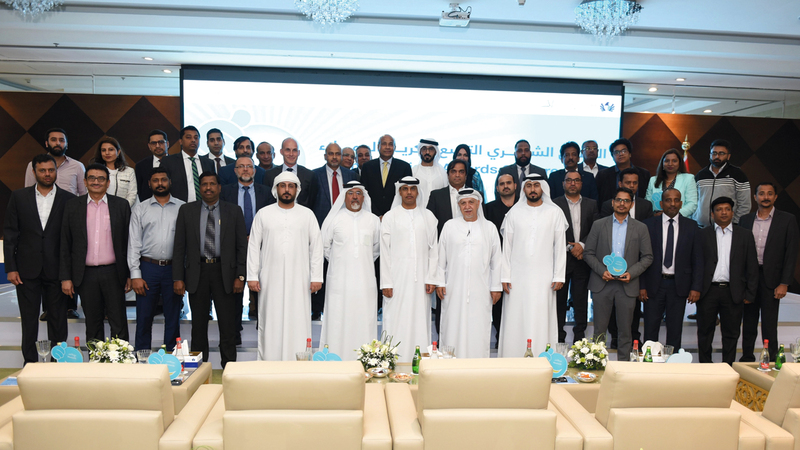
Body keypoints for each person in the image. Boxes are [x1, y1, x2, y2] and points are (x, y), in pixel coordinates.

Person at [4, 154, 75, 364]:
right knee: (29, 320)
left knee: (58, 320)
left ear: (56, 171)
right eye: (42, 170)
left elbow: (71, 239)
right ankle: (30, 363)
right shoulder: (18, 197)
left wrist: (68, 272)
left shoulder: (69, 199)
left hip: (57, 270)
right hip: (26, 269)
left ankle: (57, 363)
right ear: (34, 172)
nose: (47, 174)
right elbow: (10, 233)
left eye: (51, 170)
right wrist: (11, 267)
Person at [172, 172, 247, 368]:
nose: (208, 188)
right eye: (204, 184)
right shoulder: (187, 211)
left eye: (212, 184)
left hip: (226, 274)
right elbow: (179, 247)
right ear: (200, 188)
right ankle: (199, 371)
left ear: (219, 187)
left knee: (228, 326)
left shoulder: (234, 211)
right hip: (198, 273)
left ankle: (229, 369)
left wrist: (240, 276)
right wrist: (178, 277)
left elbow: (242, 247)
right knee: (198, 326)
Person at [247, 171, 323, 361]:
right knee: (271, 319)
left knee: (298, 319)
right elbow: (254, 246)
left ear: (297, 190)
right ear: (276, 189)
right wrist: (252, 276)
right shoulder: (263, 214)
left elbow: (317, 247)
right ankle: (269, 362)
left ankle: (299, 362)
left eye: (291, 186)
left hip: (300, 278)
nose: (287, 190)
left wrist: (316, 277)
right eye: (283, 186)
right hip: (270, 279)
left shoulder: (307, 215)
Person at [498, 173, 568, 357]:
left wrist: (559, 275)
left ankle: (542, 358)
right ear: (524, 189)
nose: (533, 189)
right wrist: (505, 275)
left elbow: (560, 247)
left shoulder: (554, 212)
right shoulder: (514, 213)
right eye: (529, 185)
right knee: (516, 317)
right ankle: (513, 358)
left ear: (543, 187)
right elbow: (507, 248)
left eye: (536, 185)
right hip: (517, 278)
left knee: (541, 316)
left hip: (544, 277)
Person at [60, 163, 132, 344]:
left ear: (108, 183)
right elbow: (65, 243)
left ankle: (121, 360)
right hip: (86, 274)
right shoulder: (72, 206)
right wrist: (66, 277)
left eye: (101, 178)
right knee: (93, 323)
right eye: (92, 178)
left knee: (118, 322)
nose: (96, 182)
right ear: (85, 182)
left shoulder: (121, 205)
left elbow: (129, 242)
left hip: (114, 272)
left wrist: (130, 274)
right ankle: (96, 360)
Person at [583, 187, 653, 361]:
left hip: (627, 285)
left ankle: (623, 368)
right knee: (599, 331)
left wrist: (631, 273)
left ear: (632, 204)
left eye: (626, 200)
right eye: (619, 200)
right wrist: (602, 271)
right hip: (602, 283)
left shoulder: (641, 228)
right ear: (613, 203)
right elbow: (588, 253)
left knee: (625, 332)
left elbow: (648, 256)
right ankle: (597, 365)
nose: (622, 204)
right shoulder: (599, 225)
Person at [380, 176, 440, 362]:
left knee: (420, 319)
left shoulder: (428, 216)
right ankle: (393, 361)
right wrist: (386, 282)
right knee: (395, 319)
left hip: (421, 280)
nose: (409, 192)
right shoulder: (390, 217)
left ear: (417, 192)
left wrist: (431, 278)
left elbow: (434, 250)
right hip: (396, 279)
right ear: (399, 192)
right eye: (405, 189)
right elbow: (384, 251)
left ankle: (419, 363)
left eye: (412, 189)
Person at [437, 189, 502, 358]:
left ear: (478, 204)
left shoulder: (489, 228)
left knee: (478, 327)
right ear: (459, 206)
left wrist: (496, 287)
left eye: (471, 202)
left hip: (481, 290)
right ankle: (450, 366)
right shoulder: (449, 226)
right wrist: (440, 282)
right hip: (453, 289)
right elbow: (440, 258)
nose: (467, 207)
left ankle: (477, 366)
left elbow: (496, 261)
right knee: (452, 326)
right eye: (463, 203)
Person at [319, 181, 380, 359]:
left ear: (364, 197)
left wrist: (360, 261)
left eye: (358, 193)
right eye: (350, 193)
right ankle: (336, 360)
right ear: (344, 196)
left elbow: (376, 249)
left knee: (363, 319)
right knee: (338, 320)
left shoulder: (373, 220)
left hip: (364, 281)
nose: (355, 197)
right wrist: (341, 261)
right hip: (339, 281)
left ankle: (364, 360)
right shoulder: (333, 219)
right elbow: (325, 248)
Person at [739, 183, 799, 362]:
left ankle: (771, 360)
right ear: (755, 197)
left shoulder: (787, 219)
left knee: (769, 324)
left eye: (770, 194)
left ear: (775, 197)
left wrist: (784, 283)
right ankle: (747, 358)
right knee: (748, 322)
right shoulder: (745, 220)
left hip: (772, 279)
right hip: (749, 279)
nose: (765, 197)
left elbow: (791, 253)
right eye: (762, 194)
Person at [127, 167, 185, 351]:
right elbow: (134, 243)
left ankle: (171, 357)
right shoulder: (140, 209)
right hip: (148, 268)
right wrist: (135, 275)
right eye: (155, 180)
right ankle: (142, 356)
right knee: (144, 317)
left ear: (170, 182)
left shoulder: (183, 208)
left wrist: (182, 274)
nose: (160, 184)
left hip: (173, 269)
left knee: (173, 317)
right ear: (149, 184)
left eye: (163, 180)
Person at [696, 197, 758, 365]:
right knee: (705, 332)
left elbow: (752, 266)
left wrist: (750, 293)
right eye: (719, 209)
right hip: (708, 291)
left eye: (727, 209)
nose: (723, 212)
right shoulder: (702, 234)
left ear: (732, 212)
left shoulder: (745, 235)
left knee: (731, 333)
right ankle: (705, 367)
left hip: (733, 291)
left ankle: (728, 366)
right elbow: (696, 264)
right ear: (712, 214)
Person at [640, 188, 703, 349]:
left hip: (678, 285)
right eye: (668, 200)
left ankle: (673, 362)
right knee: (650, 329)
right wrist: (642, 285)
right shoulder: (648, 225)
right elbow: (641, 258)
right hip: (654, 285)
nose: (672, 204)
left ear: (681, 203)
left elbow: (697, 259)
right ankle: (649, 362)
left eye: (676, 200)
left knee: (675, 330)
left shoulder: (691, 226)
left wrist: (696, 287)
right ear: (661, 203)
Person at [220, 156, 271, 321]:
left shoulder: (266, 192)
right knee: (235, 289)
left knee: (261, 288)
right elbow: (222, 219)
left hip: (261, 245)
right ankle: (235, 327)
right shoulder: (225, 192)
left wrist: (255, 237)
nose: (245, 169)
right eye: (241, 166)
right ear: (235, 171)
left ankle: (260, 322)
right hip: (234, 246)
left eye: (249, 166)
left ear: (254, 170)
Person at [553, 171, 598, 343]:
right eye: (569, 180)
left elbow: (595, 229)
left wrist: (582, 245)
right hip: (561, 260)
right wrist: (571, 246)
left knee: (580, 300)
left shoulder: (592, 204)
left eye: (576, 180)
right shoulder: (554, 204)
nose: (573, 183)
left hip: (582, 260)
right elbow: (552, 230)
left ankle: (580, 338)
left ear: (581, 184)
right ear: (563, 183)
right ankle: (559, 337)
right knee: (559, 300)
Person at [483, 173, 516, 346]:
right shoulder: (488, 209)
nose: (505, 186)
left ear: (515, 186)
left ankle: (514, 338)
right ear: (497, 188)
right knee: (497, 301)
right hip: (495, 262)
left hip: (518, 264)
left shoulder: (522, 208)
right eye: (502, 184)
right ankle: (499, 339)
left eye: (509, 183)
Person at [692, 139, 751, 227]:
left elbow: (745, 204)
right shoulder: (701, 175)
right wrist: (695, 218)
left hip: (727, 227)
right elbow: (693, 200)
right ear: (710, 155)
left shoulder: (737, 174)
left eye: (721, 153)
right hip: (701, 227)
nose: (717, 156)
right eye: (714, 153)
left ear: (728, 156)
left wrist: (735, 223)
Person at [24, 127, 87, 197]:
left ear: (67, 145)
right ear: (46, 143)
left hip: (69, 204)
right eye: (53, 140)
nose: (58, 143)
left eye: (61, 140)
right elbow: (28, 193)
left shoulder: (77, 166)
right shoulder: (34, 164)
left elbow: (84, 195)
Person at [158, 126, 215, 202]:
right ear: (180, 141)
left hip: (205, 205)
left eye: (196, 138)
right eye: (188, 137)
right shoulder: (169, 161)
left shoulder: (208, 163)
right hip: (178, 206)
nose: (193, 140)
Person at [360, 135, 413, 217]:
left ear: (394, 147)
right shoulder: (367, 167)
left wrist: (391, 215)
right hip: (371, 215)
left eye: (390, 144)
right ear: (378, 147)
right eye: (384, 144)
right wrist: (376, 214)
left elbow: (406, 193)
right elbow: (364, 192)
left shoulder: (404, 167)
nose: (387, 147)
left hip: (397, 215)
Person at [263, 137, 319, 208]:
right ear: (281, 151)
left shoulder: (310, 175)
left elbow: (313, 201)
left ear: (298, 153)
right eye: (288, 150)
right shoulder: (270, 175)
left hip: (302, 214)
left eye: (294, 150)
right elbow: (267, 200)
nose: (291, 154)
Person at [312, 143, 357, 226]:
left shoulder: (351, 175)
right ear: (325, 156)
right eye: (331, 154)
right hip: (321, 223)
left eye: (338, 154)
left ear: (341, 156)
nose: (334, 157)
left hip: (346, 223)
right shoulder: (314, 175)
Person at [595, 138, 650, 204]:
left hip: (638, 209)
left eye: (624, 151)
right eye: (616, 152)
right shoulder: (603, 175)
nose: (620, 154)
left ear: (630, 154)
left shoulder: (644, 174)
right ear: (612, 156)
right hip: (610, 210)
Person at [645, 148, 697, 218]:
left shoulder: (688, 178)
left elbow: (692, 203)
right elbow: (648, 203)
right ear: (662, 163)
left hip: (680, 219)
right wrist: (653, 215)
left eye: (674, 161)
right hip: (657, 219)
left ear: (680, 163)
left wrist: (673, 215)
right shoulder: (653, 180)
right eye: (667, 161)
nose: (670, 164)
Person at [90, 136, 137, 207]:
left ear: (118, 152)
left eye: (111, 149)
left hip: (122, 209)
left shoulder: (129, 171)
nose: (107, 153)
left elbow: (132, 194)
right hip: (99, 208)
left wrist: (122, 209)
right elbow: (90, 192)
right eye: (103, 150)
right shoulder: (94, 171)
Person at [135, 129, 169, 201]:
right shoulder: (141, 166)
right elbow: (139, 190)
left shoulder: (177, 163)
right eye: (154, 143)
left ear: (167, 144)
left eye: (161, 142)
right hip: (148, 205)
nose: (157, 146)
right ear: (149, 146)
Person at [412, 138, 448, 204]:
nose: (427, 152)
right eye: (424, 149)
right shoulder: (413, 171)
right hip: (418, 209)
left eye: (431, 149)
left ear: (436, 152)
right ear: (420, 151)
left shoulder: (442, 172)